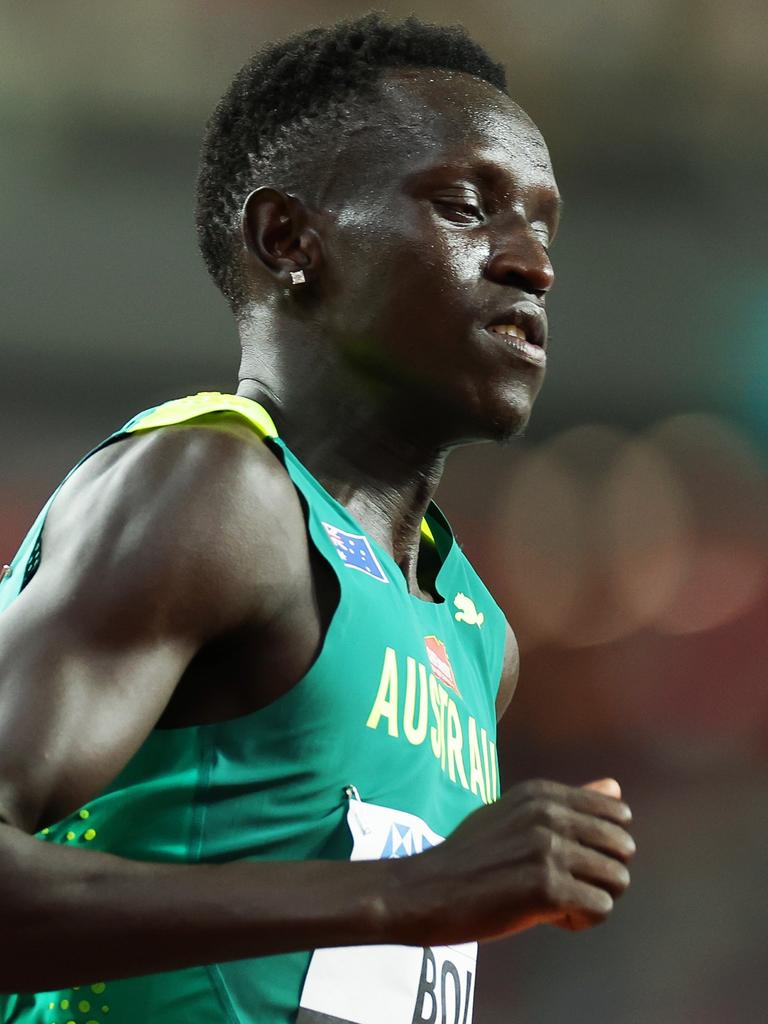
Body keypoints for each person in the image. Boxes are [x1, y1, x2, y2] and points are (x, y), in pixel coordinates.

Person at [0, 14, 634, 1024]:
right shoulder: (214, 493)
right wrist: (408, 893)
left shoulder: (477, 635)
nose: (533, 265)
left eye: (545, 227)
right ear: (289, 240)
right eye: (469, 208)